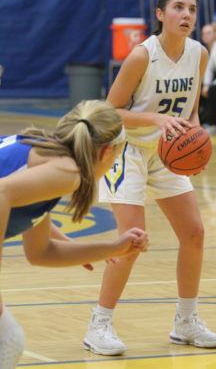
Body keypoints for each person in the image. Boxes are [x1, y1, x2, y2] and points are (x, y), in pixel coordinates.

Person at [84, 0, 216, 356]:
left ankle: (186, 321)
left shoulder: (199, 53)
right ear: (161, 14)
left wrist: (196, 143)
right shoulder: (142, 56)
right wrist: (156, 119)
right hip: (126, 148)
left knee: (194, 233)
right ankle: (99, 324)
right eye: (178, 7)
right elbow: (109, 111)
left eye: (192, 8)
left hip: (167, 148)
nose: (187, 14)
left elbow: (192, 110)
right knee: (133, 239)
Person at [0, 100, 148, 369]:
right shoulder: (66, 173)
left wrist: (113, 248)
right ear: (106, 152)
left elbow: (40, 252)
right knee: (7, 339)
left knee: (8, 338)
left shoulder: (45, 157)